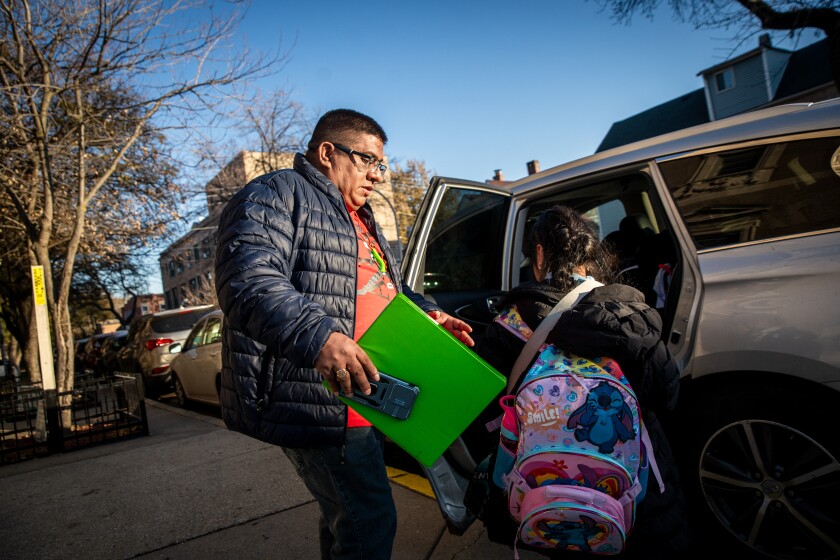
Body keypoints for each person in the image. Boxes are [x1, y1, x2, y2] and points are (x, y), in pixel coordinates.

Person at [214, 108, 474, 560]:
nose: (377, 175)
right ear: (328, 152)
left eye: (382, 165)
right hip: (319, 401)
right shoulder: (276, 193)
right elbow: (247, 280)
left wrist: (429, 314)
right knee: (369, 523)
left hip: (361, 395)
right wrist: (318, 337)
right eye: (368, 161)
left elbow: (390, 288)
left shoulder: (360, 217)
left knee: (347, 520)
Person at [471, 205, 692, 559]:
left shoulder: (512, 323)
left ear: (539, 254)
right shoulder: (631, 317)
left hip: (547, 495)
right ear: (590, 254)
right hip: (637, 489)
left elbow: (482, 414)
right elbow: (668, 396)